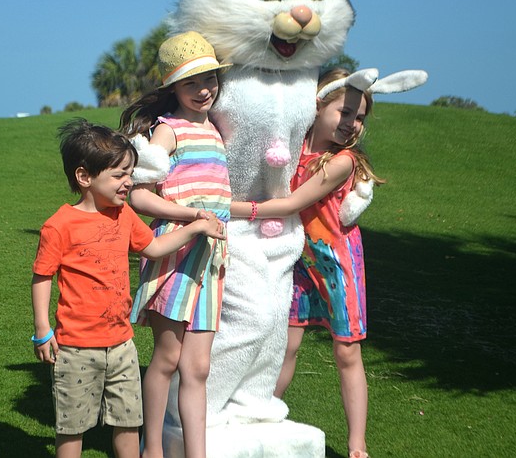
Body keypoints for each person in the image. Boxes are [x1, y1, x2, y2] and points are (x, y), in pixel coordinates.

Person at [31, 118, 225, 458]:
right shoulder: (59, 225)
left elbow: (153, 247)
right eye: (119, 175)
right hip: (75, 349)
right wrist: (43, 329)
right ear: (84, 177)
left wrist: (195, 227)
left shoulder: (123, 216)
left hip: (121, 345)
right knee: (71, 428)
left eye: (130, 173)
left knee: (128, 422)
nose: (128, 183)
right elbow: (43, 276)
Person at [229, 68, 384, 458]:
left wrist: (231, 208)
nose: (352, 124)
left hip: (337, 265)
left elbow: (294, 203)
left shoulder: (342, 162)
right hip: (298, 259)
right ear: (317, 105)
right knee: (285, 345)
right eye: (344, 112)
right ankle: (263, 414)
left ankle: (357, 446)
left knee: (347, 351)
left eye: (360, 117)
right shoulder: (295, 147)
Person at [119, 31, 232, 458]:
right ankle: (152, 450)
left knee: (198, 368)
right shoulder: (169, 131)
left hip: (212, 259)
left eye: (210, 80)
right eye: (191, 83)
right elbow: (139, 194)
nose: (204, 90)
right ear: (173, 89)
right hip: (178, 253)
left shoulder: (217, 130)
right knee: (166, 359)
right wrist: (192, 217)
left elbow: (218, 198)